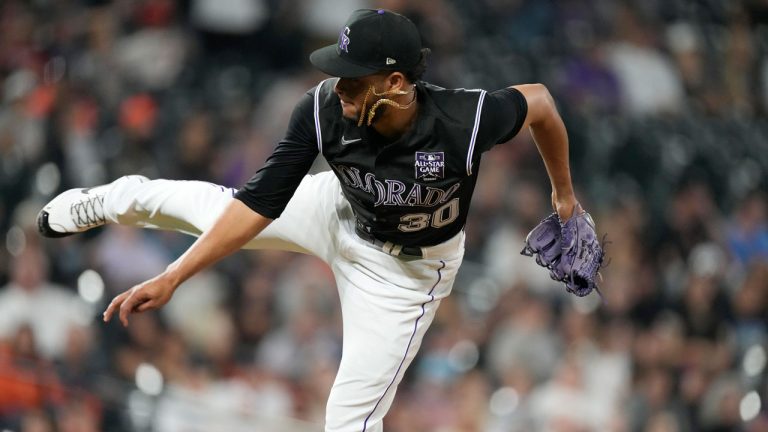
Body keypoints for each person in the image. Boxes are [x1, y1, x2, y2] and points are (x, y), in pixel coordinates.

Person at [37, 9, 579, 432]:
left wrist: (564, 196)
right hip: (337, 210)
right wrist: (175, 275)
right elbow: (256, 204)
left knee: (347, 418)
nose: (337, 86)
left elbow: (544, 104)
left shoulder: (465, 119)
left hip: (403, 279)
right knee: (203, 207)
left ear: (394, 82)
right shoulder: (321, 109)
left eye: (352, 80)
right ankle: (109, 200)